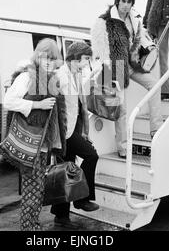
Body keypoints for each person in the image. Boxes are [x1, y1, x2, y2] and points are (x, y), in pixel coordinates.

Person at [91, 0, 163, 158]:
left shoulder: (134, 19)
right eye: (123, 0)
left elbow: (139, 38)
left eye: (129, 1)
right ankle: (123, 147)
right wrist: (111, 75)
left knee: (154, 85)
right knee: (122, 108)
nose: (125, 4)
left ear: (132, 4)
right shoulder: (104, 21)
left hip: (131, 64)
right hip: (115, 67)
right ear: (118, 0)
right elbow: (100, 50)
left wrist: (148, 47)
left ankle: (156, 129)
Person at [4, 38, 67, 231]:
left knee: (38, 188)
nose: (48, 62)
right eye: (44, 57)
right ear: (37, 57)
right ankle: (28, 229)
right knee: (32, 189)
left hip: (43, 144)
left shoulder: (51, 80)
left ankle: (33, 226)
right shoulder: (27, 77)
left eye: (52, 58)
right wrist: (36, 105)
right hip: (30, 143)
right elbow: (8, 101)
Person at [50, 41, 99, 229]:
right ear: (75, 57)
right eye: (85, 59)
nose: (86, 63)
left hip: (73, 130)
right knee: (90, 156)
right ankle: (82, 199)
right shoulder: (60, 76)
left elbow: (79, 107)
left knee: (66, 172)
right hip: (64, 133)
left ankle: (61, 216)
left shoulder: (76, 75)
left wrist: (83, 132)